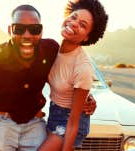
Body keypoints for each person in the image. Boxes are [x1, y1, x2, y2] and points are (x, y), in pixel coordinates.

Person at [0, 4, 95, 151]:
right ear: (10, 30)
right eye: (19, 29)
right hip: (0, 122)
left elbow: (69, 74)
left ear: (41, 31)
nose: (27, 35)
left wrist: (86, 97)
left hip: (34, 122)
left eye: (34, 29)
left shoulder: (50, 50)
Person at [38, 0, 108, 151]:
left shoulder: (82, 67)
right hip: (54, 113)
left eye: (83, 25)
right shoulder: (52, 50)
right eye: (74, 17)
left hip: (70, 121)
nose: (74, 23)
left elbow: (73, 121)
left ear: (87, 37)